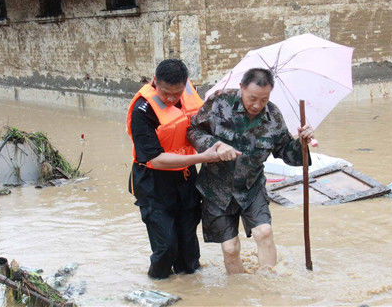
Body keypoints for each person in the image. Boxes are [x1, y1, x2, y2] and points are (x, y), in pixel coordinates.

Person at [186, 68, 315, 274]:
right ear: (241, 88)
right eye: (252, 98)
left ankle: (267, 287)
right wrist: (216, 145)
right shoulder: (219, 102)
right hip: (216, 189)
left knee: (264, 232)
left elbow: (289, 155)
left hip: (251, 187)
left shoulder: (273, 117)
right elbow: (193, 130)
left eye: (264, 100)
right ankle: (238, 295)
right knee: (230, 248)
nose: (257, 105)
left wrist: (302, 142)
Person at [126, 59, 221, 279]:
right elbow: (155, 159)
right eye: (165, 93)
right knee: (166, 247)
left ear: (185, 85)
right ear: (154, 81)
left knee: (189, 253)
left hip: (185, 179)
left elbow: (208, 126)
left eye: (176, 94)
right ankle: (158, 285)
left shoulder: (190, 94)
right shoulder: (143, 109)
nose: (170, 99)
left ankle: (190, 294)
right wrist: (202, 157)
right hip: (153, 183)